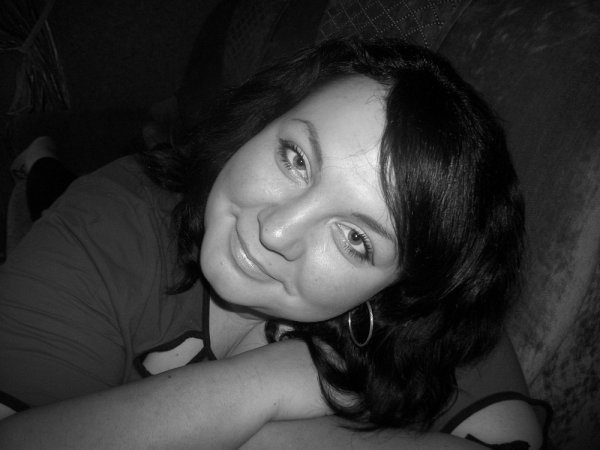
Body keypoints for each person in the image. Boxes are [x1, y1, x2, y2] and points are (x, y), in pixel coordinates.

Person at [0, 38, 549, 448]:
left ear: (401, 289)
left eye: (356, 238)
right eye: (296, 159)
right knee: (53, 190)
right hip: (113, 201)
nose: (276, 230)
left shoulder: (428, 317)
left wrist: (259, 402)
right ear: (261, 124)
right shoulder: (113, 217)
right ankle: (41, 158)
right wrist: (287, 384)